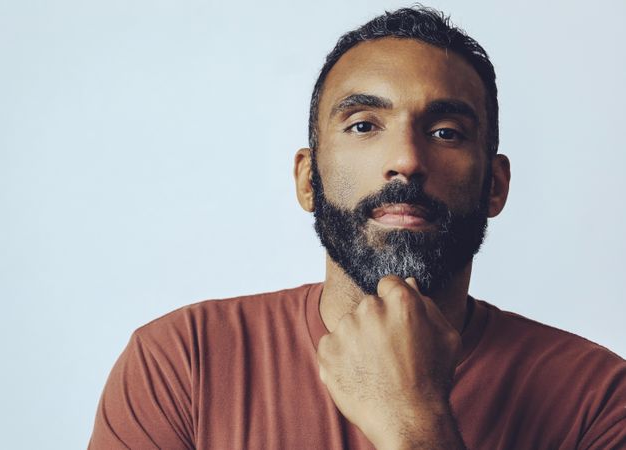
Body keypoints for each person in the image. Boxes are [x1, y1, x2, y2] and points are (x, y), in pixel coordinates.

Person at [88, 6, 626, 449]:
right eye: (364, 125)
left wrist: (414, 422)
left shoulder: (598, 398)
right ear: (307, 179)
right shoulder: (184, 364)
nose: (406, 160)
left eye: (445, 132)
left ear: (495, 186)